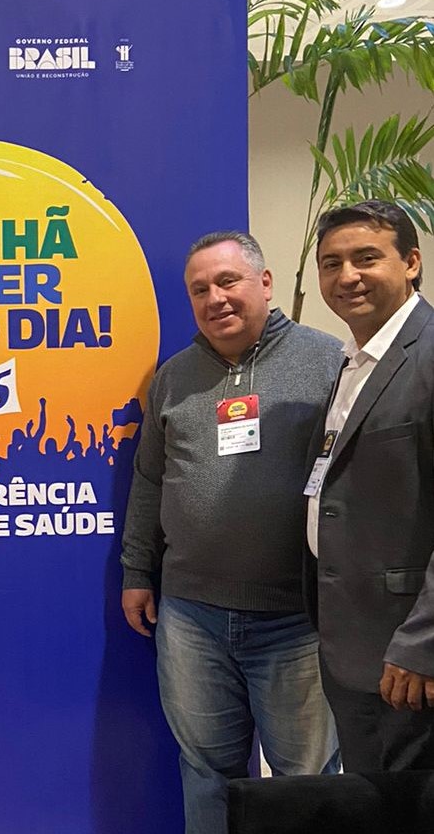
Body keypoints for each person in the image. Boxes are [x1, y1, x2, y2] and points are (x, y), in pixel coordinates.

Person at [121, 231, 342, 833]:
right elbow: (149, 481)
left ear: (264, 284)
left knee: (308, 778)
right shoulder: (172, 377)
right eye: (200, 290)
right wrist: (138, 572)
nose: (215, 298)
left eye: (228, 282)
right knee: (206, 770)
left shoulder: (329, 363)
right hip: (192, 618)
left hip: (297, 619)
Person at [305, 199, 434, 771]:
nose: (347, 276)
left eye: (365, 258)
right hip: (354, 650)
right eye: (331, 264)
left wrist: (423, 642)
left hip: (409, 656)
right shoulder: (353, 364)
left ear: (410, 262)